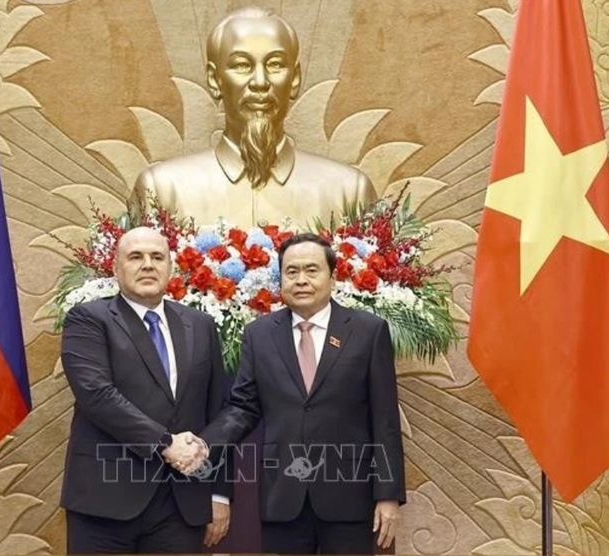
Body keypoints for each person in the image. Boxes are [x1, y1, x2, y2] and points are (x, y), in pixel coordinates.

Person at [189, 233, 406, 554]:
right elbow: (243, 408)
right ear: (281, 280)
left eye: (311, 270)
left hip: (349, 495)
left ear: (333, 278)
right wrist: (204, 443)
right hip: (283, 496)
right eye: (291, 272)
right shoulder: (259, 334)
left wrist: (388, 494)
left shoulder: (367, 331)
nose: (301, 280)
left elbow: (385, 419)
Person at [59, 227, 231, 553]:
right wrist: (165, 444)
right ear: (116, 268)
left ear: (170, 267)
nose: (148, 265)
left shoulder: (200, 325)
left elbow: (216, 412)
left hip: (180, 504)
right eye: (136, 257)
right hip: (104, 501)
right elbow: (97, 395)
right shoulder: (88, 319)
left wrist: (219, 492)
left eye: (157, 257)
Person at [133, 7, 376, 228]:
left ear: (294, 79)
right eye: (241, 65)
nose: (260, 82)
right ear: (214, 80)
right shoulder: (162, 191)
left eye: (275, 64)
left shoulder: (348, 192)